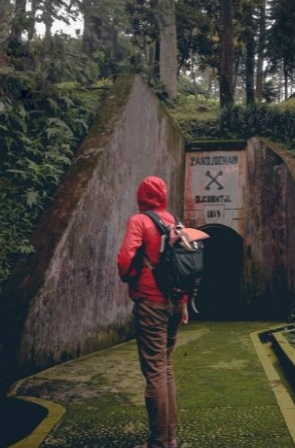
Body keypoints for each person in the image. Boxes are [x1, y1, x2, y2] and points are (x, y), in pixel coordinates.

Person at [117, 176, 188, 448]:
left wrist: (130, 277)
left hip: (151, 303)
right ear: (163, 195)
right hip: (175, 304)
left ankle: (158, 442)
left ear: (142, 196)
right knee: (166, 369)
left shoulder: (140, 221)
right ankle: (169, 438)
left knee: (155, 372)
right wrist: (182, 303)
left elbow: (125, 259)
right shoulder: (174, 222)